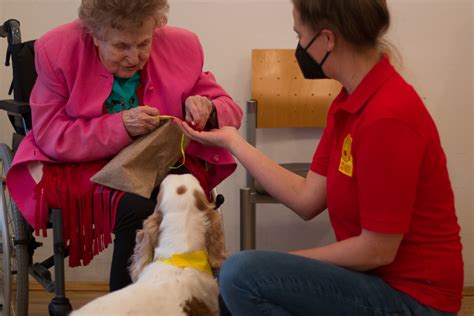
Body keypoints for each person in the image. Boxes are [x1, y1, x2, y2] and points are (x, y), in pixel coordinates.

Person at [173, 0, 464, 314]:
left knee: (242, 275)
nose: (298, 47)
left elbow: (377, 250)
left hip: (413, 300)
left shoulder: (388, 116)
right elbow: (307, 198)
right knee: (226, 292)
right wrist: (230, 140)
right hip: (373, 282)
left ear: (328, 39)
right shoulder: (348, 102)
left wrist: (284, 262)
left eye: (300, 35)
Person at [6, 0, 242, 291]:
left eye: (144, 43)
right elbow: (51, 134)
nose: (135, 57)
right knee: (136, 207)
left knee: (180, 197)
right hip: (83, 163)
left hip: (155, 158)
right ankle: (127, 305)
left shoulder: (183, 45)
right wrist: (119, 127)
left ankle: (178, 298)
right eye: (121, 46)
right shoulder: (57, 50)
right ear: (94, 35)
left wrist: (208, 107)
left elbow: (230, 108)